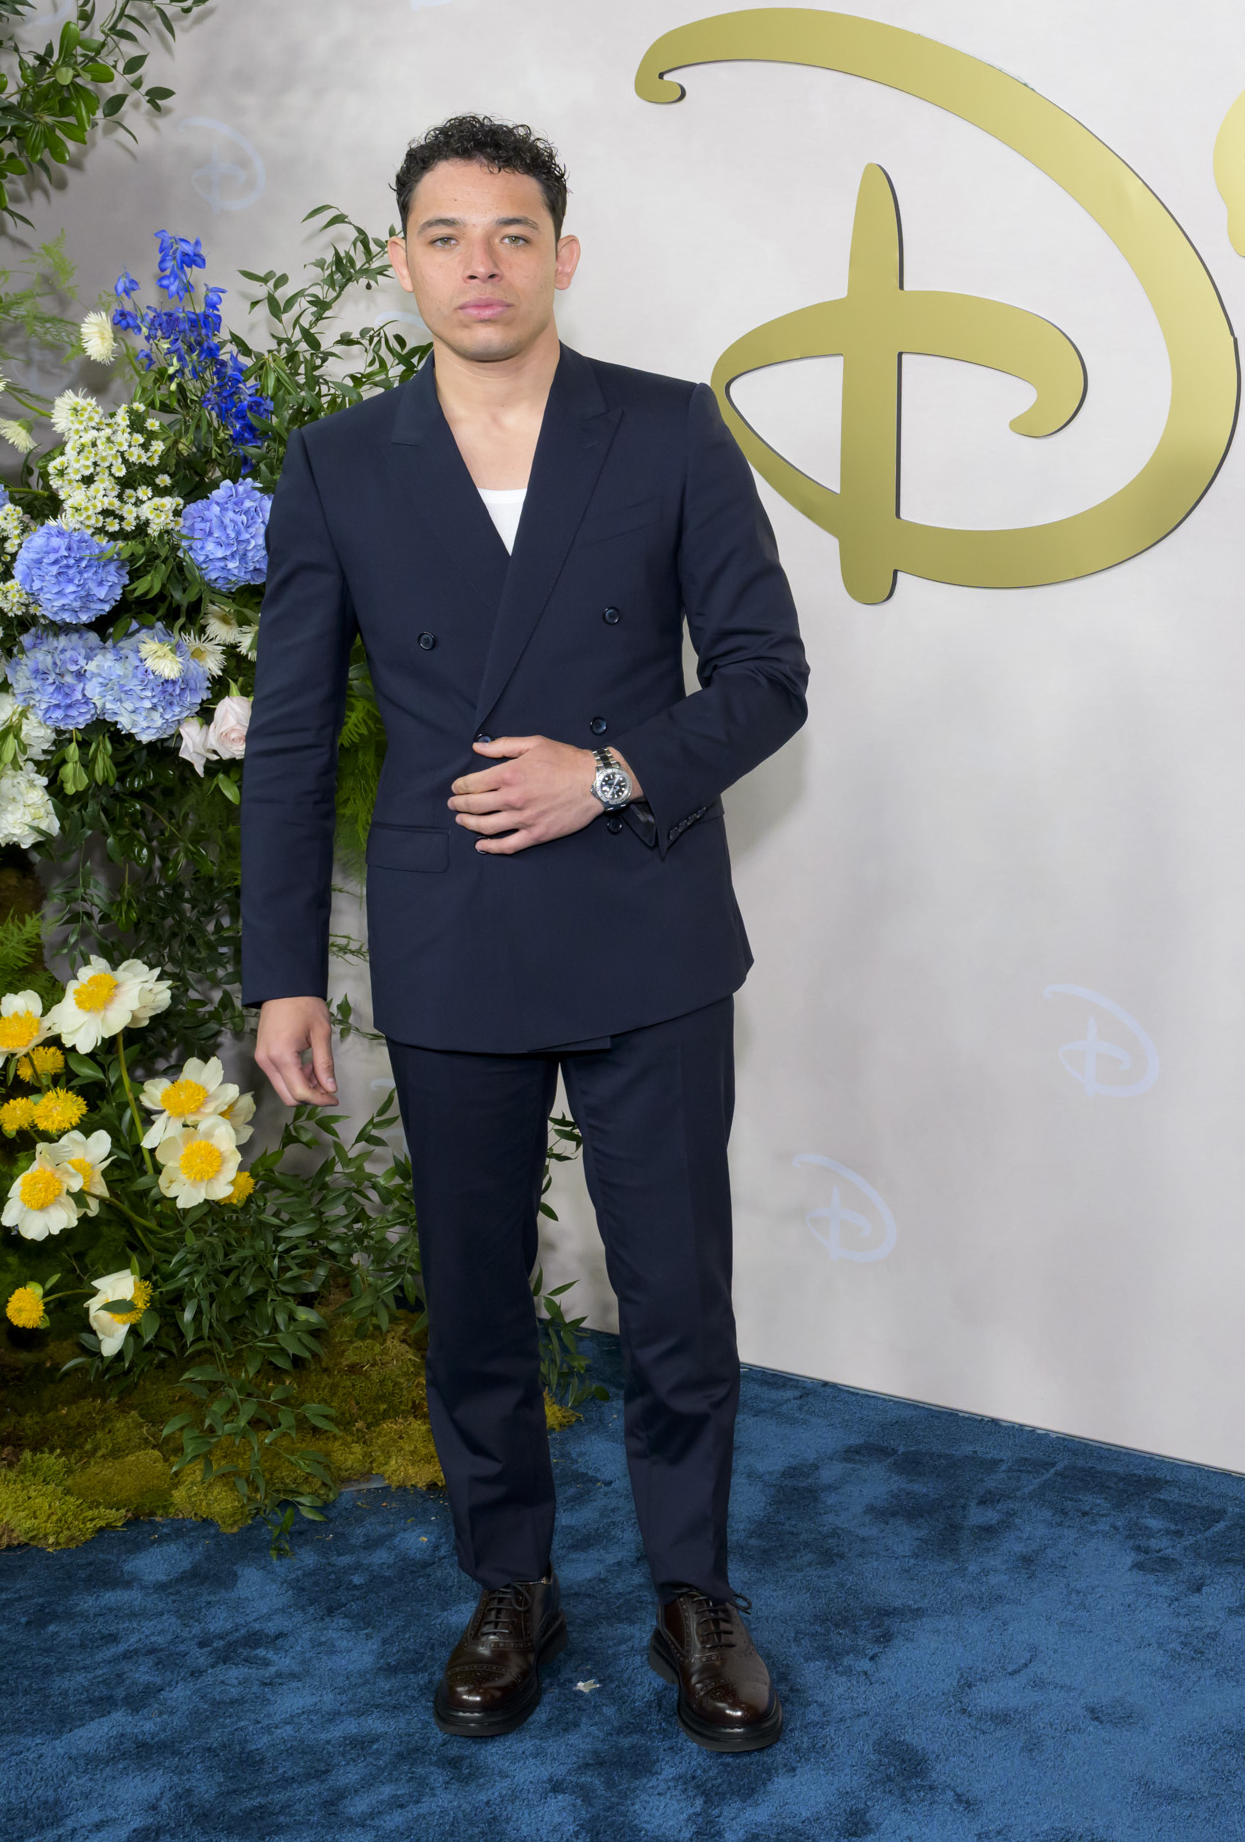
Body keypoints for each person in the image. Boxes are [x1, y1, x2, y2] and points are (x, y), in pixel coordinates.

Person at [239, 114, 808, 1750]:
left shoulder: (671, 428)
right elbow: (291, 738)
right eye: (445, 235)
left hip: (644, 924)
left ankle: (696, 1595)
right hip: (453, 932)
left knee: (676, 1291)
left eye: (509, 234)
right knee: (476, 1293)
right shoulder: (340, 462)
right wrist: (283, 974)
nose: (477, 265)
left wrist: (606, 772)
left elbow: (767, 677)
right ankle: (512, 1586)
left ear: (564, 255)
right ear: (401, 262)